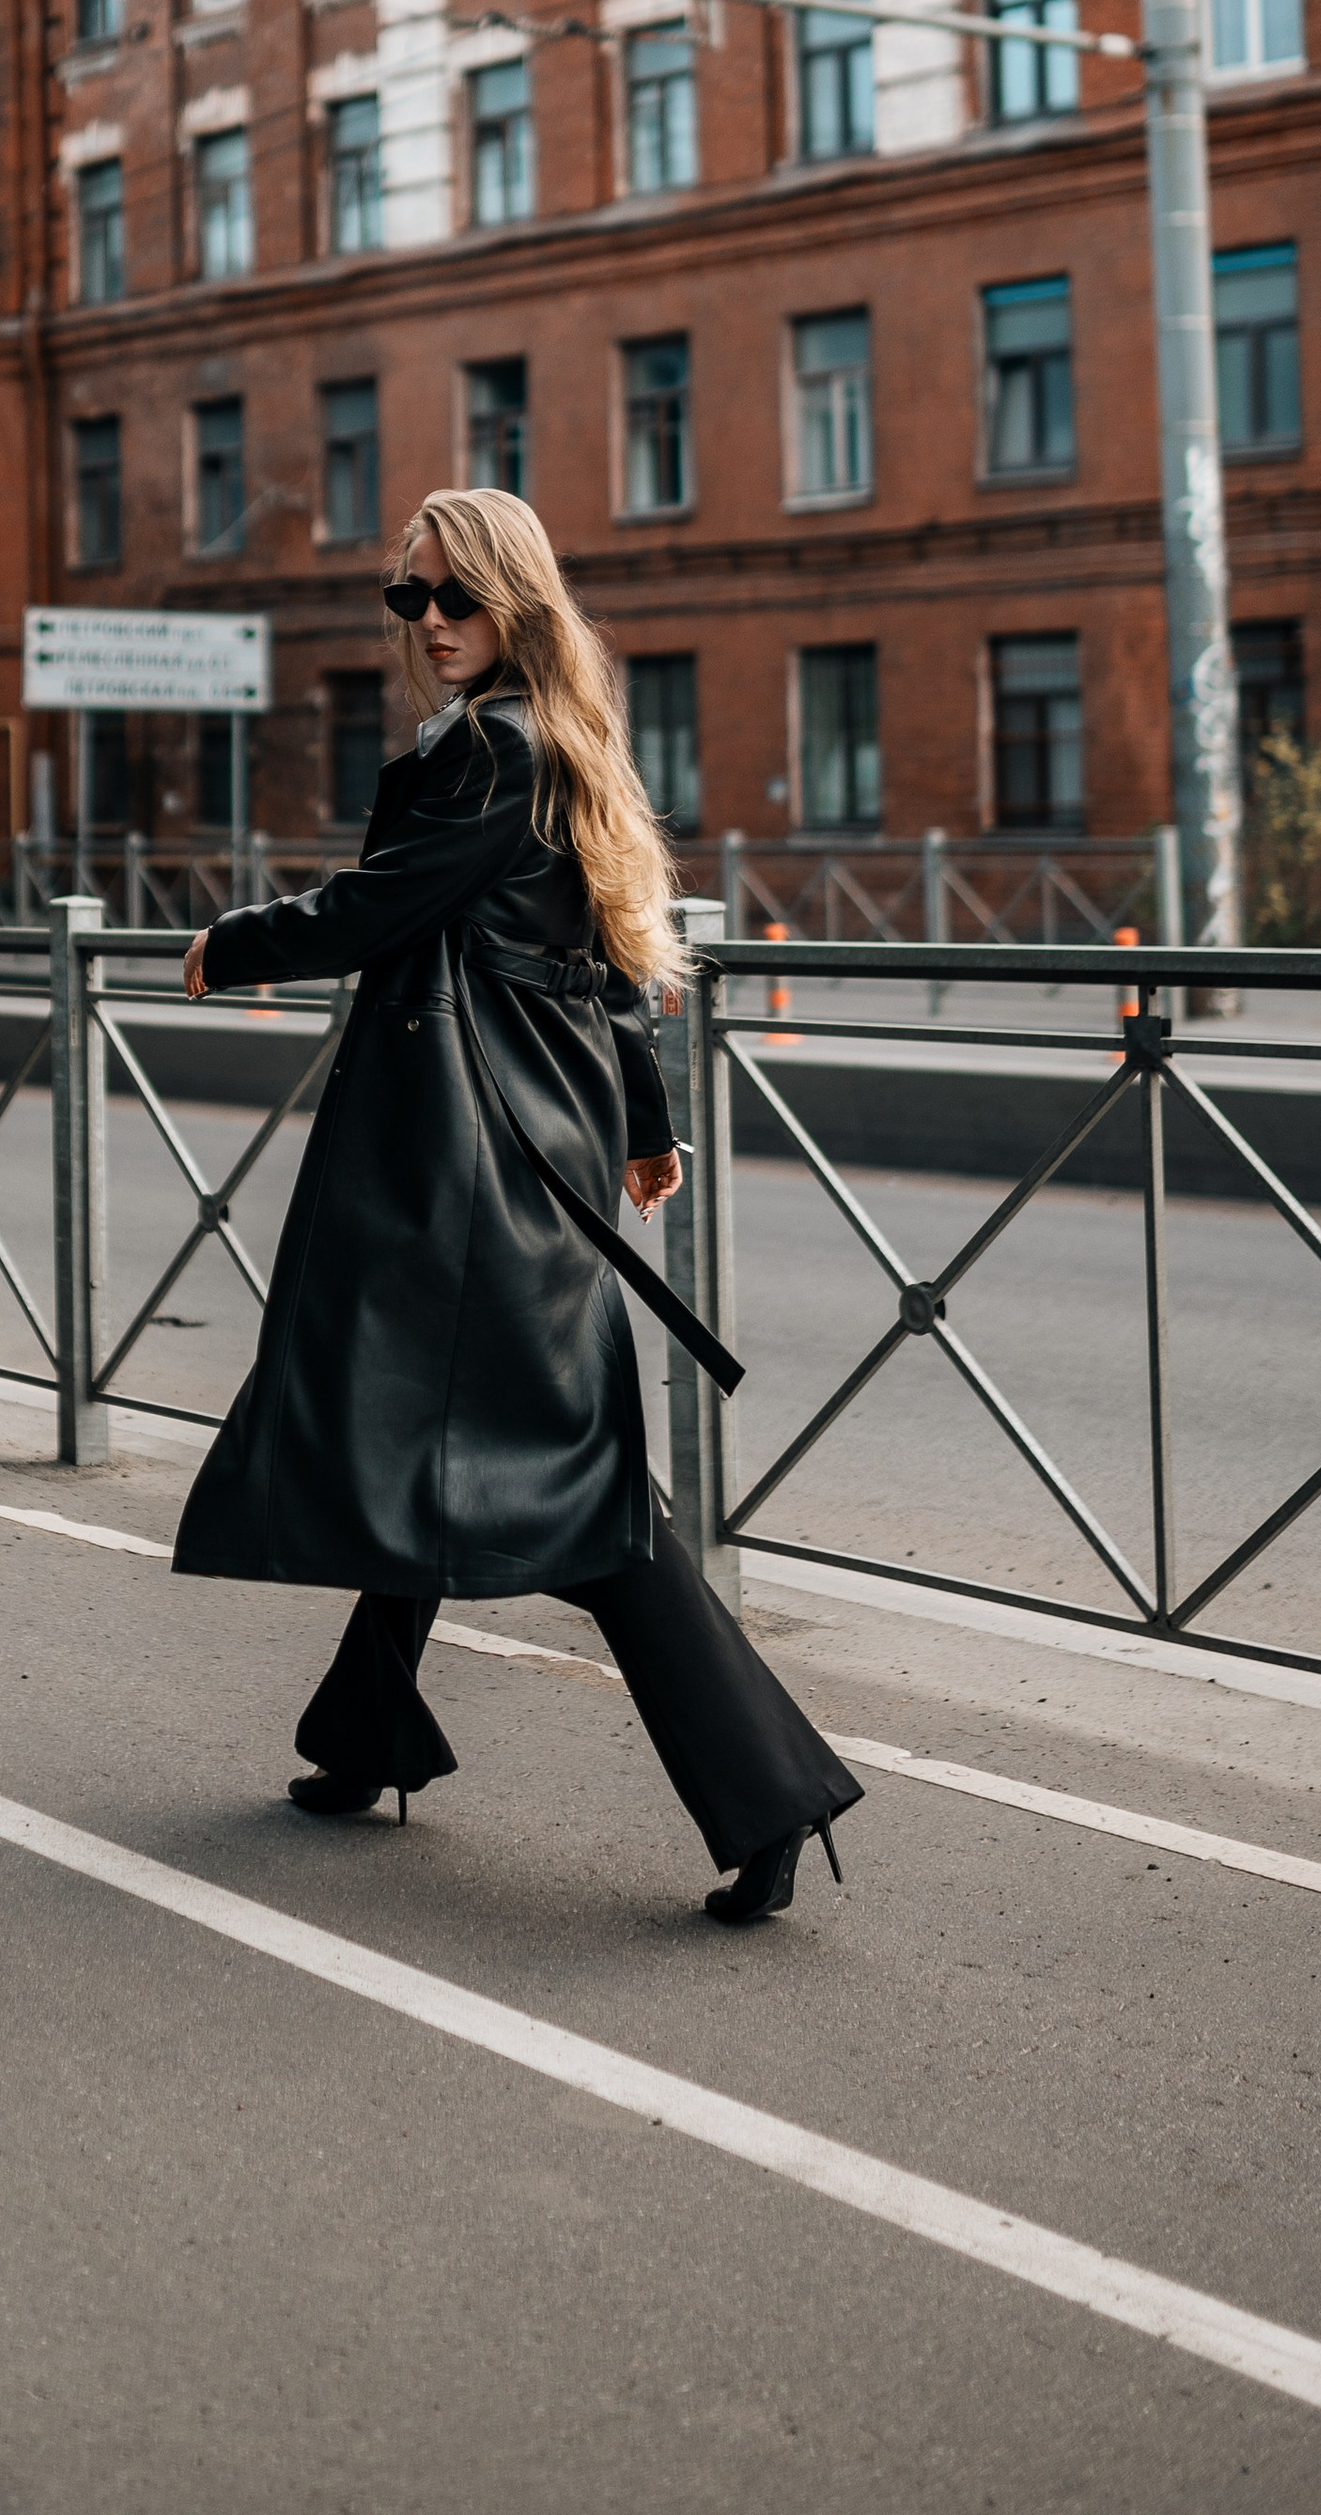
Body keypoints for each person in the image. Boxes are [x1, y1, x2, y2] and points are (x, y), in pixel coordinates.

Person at [172, 485, 861, 1926]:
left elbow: (377, 911)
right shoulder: (568, 742)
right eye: (407, 601)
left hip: (459, 1170)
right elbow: (607, 962)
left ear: (516, 601)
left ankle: (769, 1792)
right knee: (432, 1427)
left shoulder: (484, 752)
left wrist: (229, 944)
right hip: (520, 1155)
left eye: (454, 598)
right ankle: (364, 1734)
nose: (429, 624)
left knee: (571, 1495)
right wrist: (651, 1118)